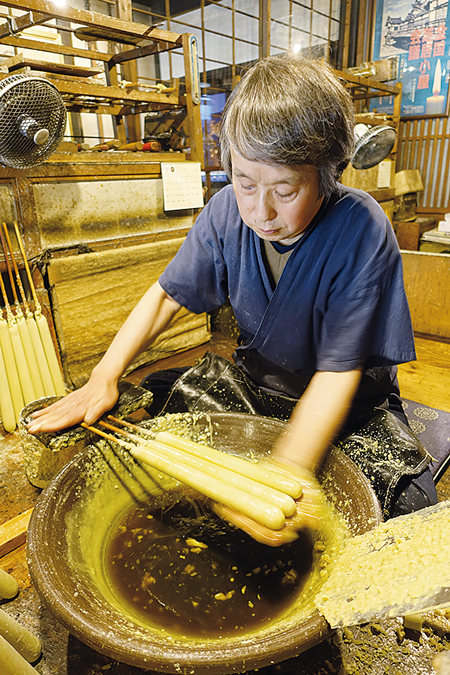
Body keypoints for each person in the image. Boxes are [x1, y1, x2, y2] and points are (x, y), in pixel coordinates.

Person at [27, 54, 437, 544]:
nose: (260, 211)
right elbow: (166, 297)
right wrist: (103, 377)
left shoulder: (362, 227)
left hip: (350, 408)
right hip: (260, 389)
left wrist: (285, 470)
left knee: (409, 503)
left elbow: (338, 372)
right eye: (244, 182)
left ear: (329, 174)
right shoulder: (225, 213)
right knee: (158, 394)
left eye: (285, 190)